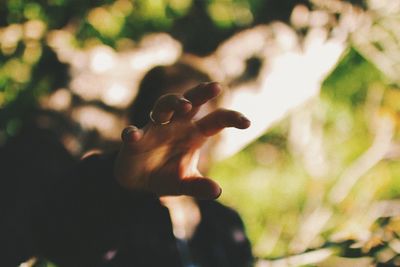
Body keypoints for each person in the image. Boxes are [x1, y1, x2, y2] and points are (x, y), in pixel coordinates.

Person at [0, 82, 252, 266]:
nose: (183, 135)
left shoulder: (225, 225)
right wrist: (118, 186)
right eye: (175, 121)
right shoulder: (102, 204)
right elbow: (57, 235)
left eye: (200, 121)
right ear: (142, 122)